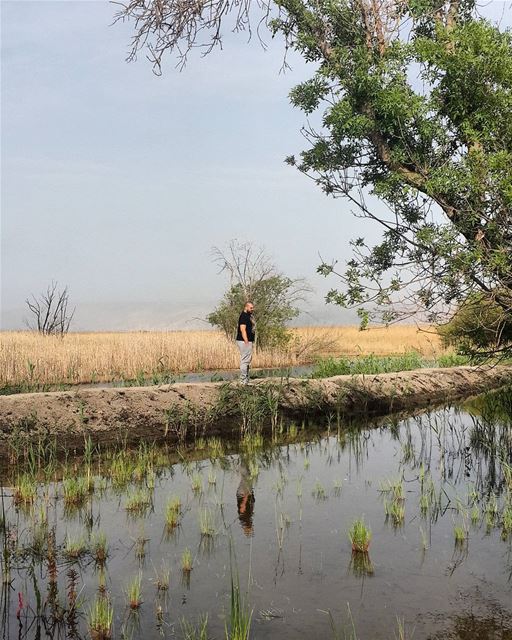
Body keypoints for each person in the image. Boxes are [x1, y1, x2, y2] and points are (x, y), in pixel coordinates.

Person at [236, 301, 255, 385]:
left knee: (247, 360)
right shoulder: (243, 316)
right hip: (244, 341)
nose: (252, 309)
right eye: (251, 308)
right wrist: (246, 341)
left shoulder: (248, 316)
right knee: (245, 360)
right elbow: (242, 329)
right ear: (246, 307)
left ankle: (246, 379)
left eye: (252, 308)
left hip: (247, 341)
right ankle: (243, 380)